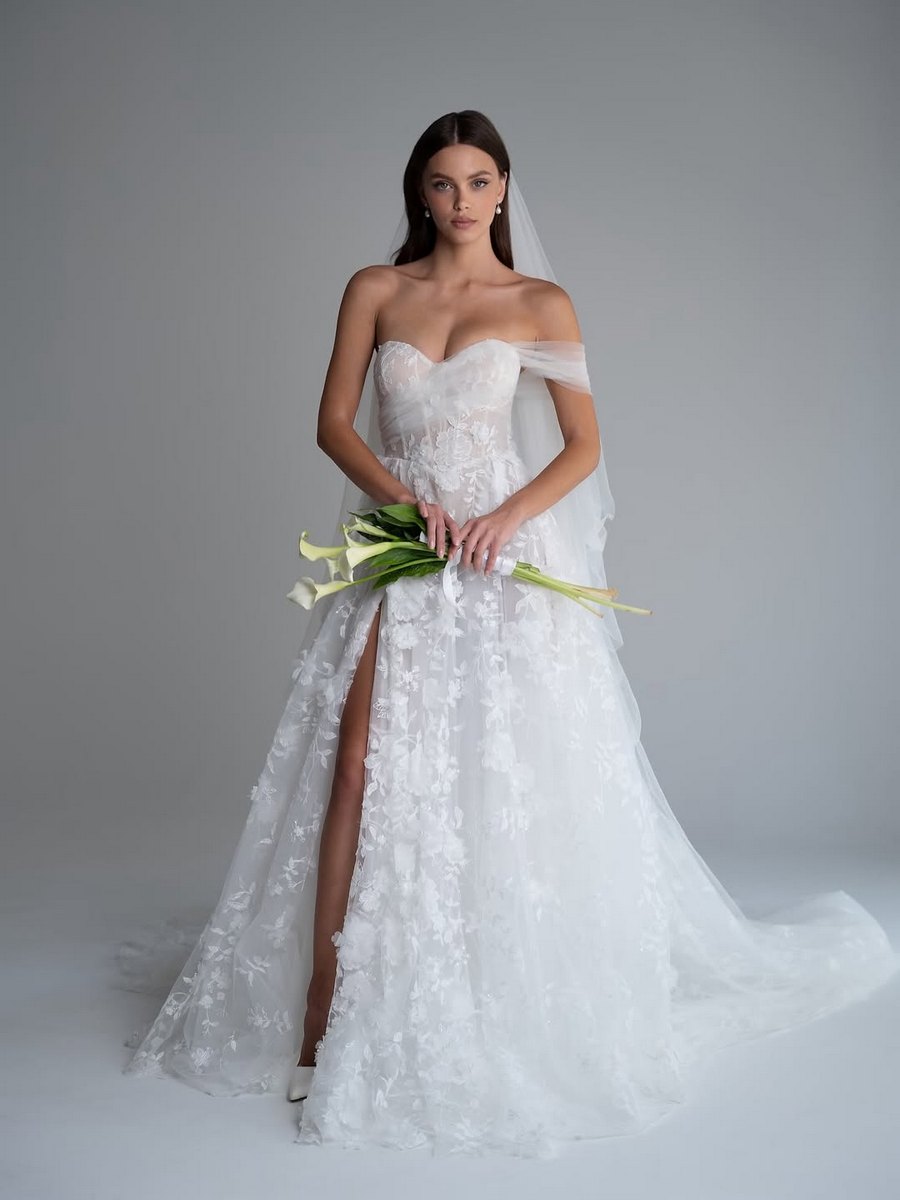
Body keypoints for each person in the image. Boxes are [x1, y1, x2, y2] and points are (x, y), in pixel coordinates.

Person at [122, 110, 900, 1159]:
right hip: (404, 543)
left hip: (493, 555)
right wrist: (408, 505)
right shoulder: (375, 289)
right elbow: (334, 424)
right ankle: (319, 1010)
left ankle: (484, 984)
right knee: (355, 768)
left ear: (502, 190)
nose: (461, 201)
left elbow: (581, 447)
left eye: (479, 181)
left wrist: (501, 520)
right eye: (442, 183)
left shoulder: (540, 302)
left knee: (500, 769)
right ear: (421, 191)